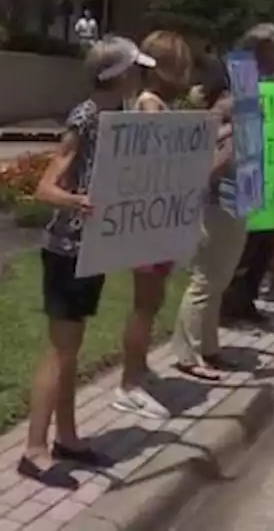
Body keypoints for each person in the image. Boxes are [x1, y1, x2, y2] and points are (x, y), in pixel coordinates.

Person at [19, 36, 154, 489]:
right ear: (117, 75)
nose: (142, 77)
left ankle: (68, 437)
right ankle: (34, 450)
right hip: (67, 249)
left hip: (90, 250)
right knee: (60, 350)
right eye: (136, 70)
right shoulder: (88, 117)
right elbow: (45, 187)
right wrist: (79, 202)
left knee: (71, 349)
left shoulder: (118, 118)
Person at [112, 30, 193, 418]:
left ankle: (138, 368)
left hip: (156, 218)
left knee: (152, 299)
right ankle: (128, 383)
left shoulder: (155, 102)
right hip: (148, 221)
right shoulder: (150, 105)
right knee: (144, 303)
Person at [172, 57, 248, 381]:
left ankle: (208, 347)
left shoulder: (233, 118)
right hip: (216, 206)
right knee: (206, 280)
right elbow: (209, 166)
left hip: (233, 203)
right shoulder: (220, 119)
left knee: (218, 280)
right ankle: (188, 353)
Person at [221, 23, 274, 326]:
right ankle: (229, 306)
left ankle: (247, 301)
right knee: (243, 245)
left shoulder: (272, 83)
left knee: (264, 240)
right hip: (238, 171)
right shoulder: (237, 81)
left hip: (261, 167)